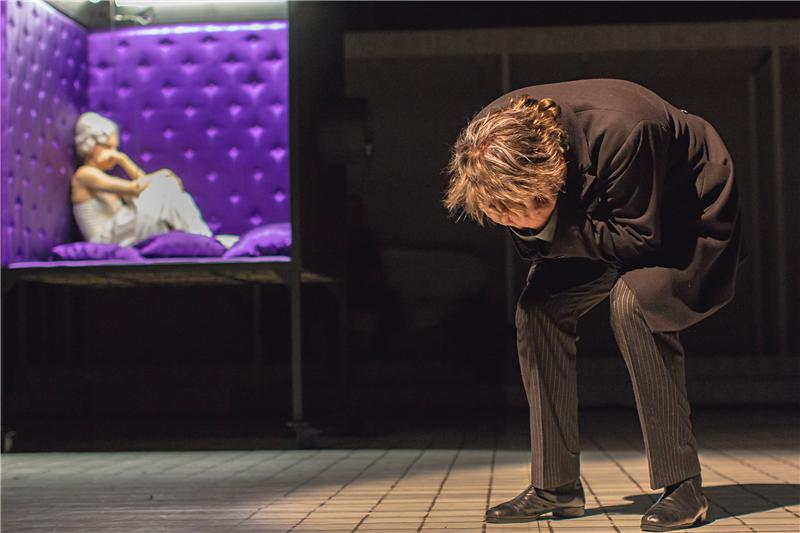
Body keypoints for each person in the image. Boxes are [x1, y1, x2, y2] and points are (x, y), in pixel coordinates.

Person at [443, 78, 746, 531]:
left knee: (634, 303)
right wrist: (527, 222)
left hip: (685, 208)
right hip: (599, 212)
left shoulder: (627, 128)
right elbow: (541, 234)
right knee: (539, 309)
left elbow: (639, 237)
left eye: (521, 207)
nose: (508, 221)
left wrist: (542, 223)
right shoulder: (488, 141)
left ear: (551, 176)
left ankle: (683, 487)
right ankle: (555, 486)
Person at [71, 112, 213, 246]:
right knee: (163, 190)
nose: (113, 153)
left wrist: (124, 162)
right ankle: (203, 237)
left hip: (118, 232)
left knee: (166, 194)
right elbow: (136, 188)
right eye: (108, 147)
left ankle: (201, 237)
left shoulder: (102, 177)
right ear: (90, 144)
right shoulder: (85, 174)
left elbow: (142, 184)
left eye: (115, 148)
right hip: (104, 239)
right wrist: (125, 160)